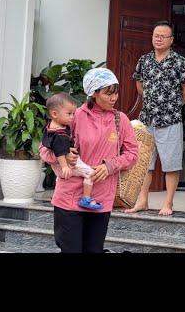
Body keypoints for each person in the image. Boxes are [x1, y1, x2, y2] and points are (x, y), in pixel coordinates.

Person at [40, 68, 138, 253]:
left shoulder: (121, 120)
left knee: (94, 250)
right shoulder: (73, 116)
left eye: (115, 92)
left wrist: (110, 166)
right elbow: (44, 150)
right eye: (108, 93)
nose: (114, 98)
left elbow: (132, 154)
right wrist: (64, 157)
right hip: (69, 198)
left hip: (101, 200)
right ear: (93, 93)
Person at [126, 20, 185, 216]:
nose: (159, 38)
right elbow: (139, 86)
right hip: (147, 119)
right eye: (156, 35)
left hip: (170, 120)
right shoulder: (144, 60)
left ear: (171, 40)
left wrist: (172, 106)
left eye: (164, 36)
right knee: (145, 163)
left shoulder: (180, 62)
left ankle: (168, 203)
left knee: (171, 163)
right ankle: (142, 200)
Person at [41, 92, 102, 210]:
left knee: (60, 177)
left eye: (73, 114)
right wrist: (65, 165)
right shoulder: (60, 134)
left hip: (57, 167)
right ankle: (86, 199)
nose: (72, 117)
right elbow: (60, 151)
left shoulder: (50, 127)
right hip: (69, 163)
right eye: (69, 114)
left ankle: (56, 194)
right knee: (91, 173)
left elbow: (47, 146)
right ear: (54, 114)